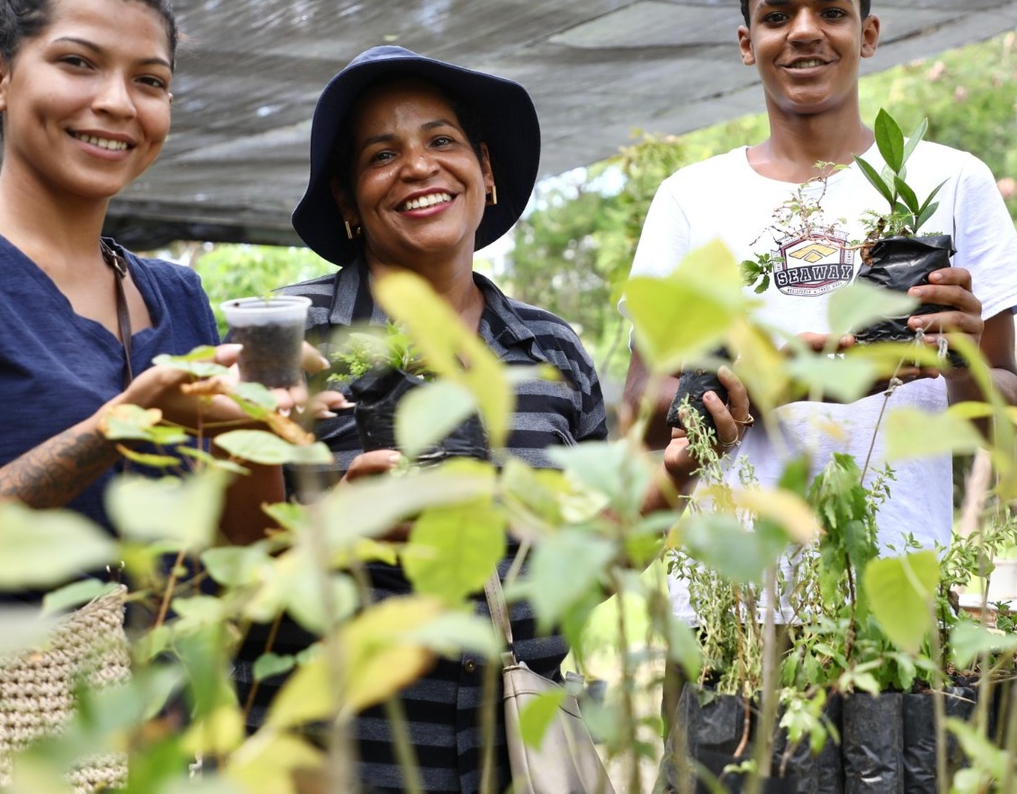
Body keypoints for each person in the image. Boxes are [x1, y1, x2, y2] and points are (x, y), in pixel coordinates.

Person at [239, 45, 749, 793]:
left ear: (486, 171)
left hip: (510, 761)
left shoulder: (549, 351)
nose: (418, 166)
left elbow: (584, 572)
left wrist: (670, 481)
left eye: (441, 142)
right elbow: (215, 574)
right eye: (383, 154)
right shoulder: (287, 343)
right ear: (348, 201)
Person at [624, 0, 1017, 616]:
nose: (804, 32)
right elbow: (641, 412)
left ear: (868, 33)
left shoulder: (949, 180)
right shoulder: (691, 200)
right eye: (777, 17)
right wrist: (751, 384)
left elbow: (1005, 420)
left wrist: (961, 358)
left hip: (895, 611)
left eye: (831, 11)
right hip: (726, 616)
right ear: (745, 43)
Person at [0, 0, 292, 592]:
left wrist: (264, 422)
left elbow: (246, 552)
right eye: (78, 63)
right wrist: (113, 431)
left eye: (150, 80)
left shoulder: (179, 296)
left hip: (173, 694)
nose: (118, 102)